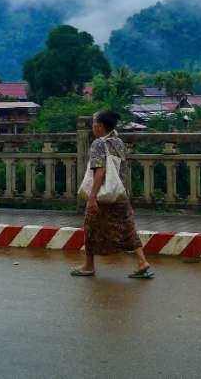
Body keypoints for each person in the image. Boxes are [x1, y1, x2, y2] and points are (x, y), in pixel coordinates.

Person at [71, 110, 154, 279]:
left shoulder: (98, 144)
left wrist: (92, 197)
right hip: (119, 193)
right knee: (128, 227)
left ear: (100, 126)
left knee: (90, 226)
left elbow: (100, 172)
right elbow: (121, 171)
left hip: (103, 195)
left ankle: (88, 266)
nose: (92, 126)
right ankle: (141, 262)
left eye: (94, 123)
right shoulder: (118, 143)